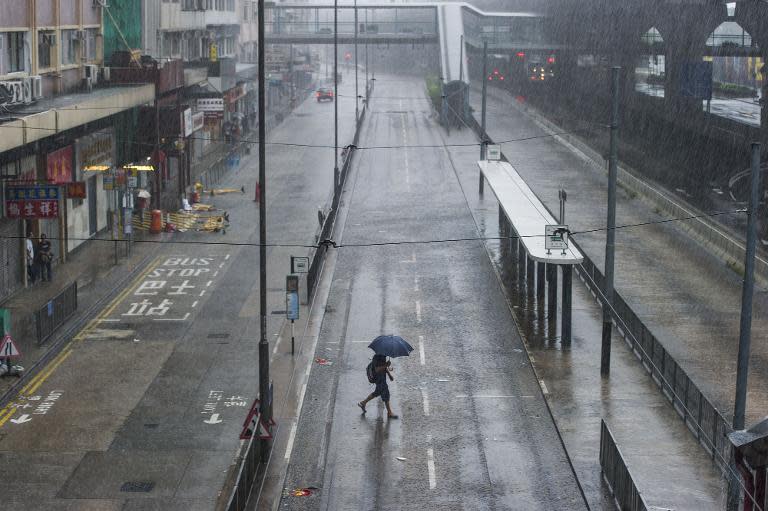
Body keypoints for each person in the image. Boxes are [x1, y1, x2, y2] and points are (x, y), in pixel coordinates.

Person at [358, 354, 398, 419]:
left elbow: (383, 367)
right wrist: (386, 365)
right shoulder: (377, 357)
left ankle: (363, 403)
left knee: (377, 392)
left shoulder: (383, 355)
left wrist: (389, 374)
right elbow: (377, 369)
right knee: (386, 393)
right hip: (379, 379)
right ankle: (389, 413)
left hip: (382, 377)